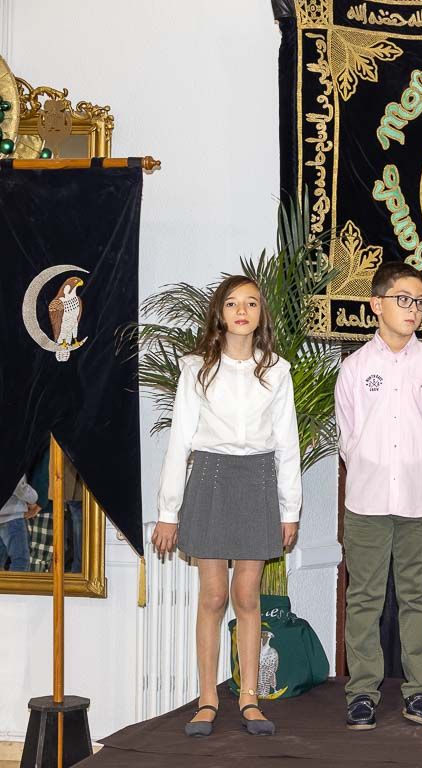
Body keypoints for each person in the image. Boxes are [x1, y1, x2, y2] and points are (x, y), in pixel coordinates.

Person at [150, 275, 302, 738]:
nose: (242, 310)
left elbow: (288, 443)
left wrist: (289, 508)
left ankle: (250, 699)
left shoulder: (277, 369)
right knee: (214, 596)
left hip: (258, 480)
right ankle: (208, 699)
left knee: (247, 597)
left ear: (260, 315)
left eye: (251, 303)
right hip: (210, 480)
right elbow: (180, 442)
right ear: (220, 313)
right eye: (233, 303)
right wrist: (168, 511)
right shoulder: (196, 368)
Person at [336, 262, 422, 730]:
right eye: (403, 299)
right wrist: (374, 471)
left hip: (420, 502)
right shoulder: (354, 368)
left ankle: (420, 692)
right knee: (364, 598)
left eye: (420, 302)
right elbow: (347, 437)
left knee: (417, 598)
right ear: (376, 305)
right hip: (365, 502)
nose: (413, 310)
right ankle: (362, 692)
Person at [0, 475, 39, 571]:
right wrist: (34, 498)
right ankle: (15, 586)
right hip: (11, 515)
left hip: (7, 515)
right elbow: (17, 485)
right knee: (21, 561)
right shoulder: (9, 460)